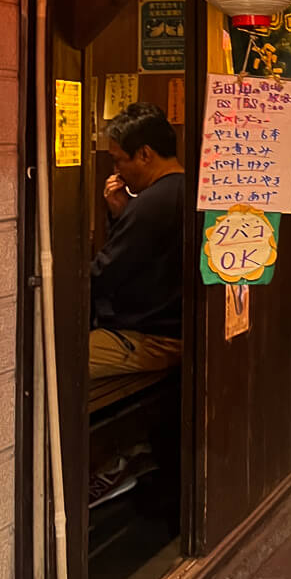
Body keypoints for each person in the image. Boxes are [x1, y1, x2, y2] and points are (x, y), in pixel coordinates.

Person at [89, 103, 185, 380]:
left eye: (119, 160)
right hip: (176, 333)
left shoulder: (150, 204)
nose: (117, 171)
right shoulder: (186, 191)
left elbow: (105, 273)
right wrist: (121, 215)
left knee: (56, 360)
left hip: (151, 339)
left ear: (144, 154)